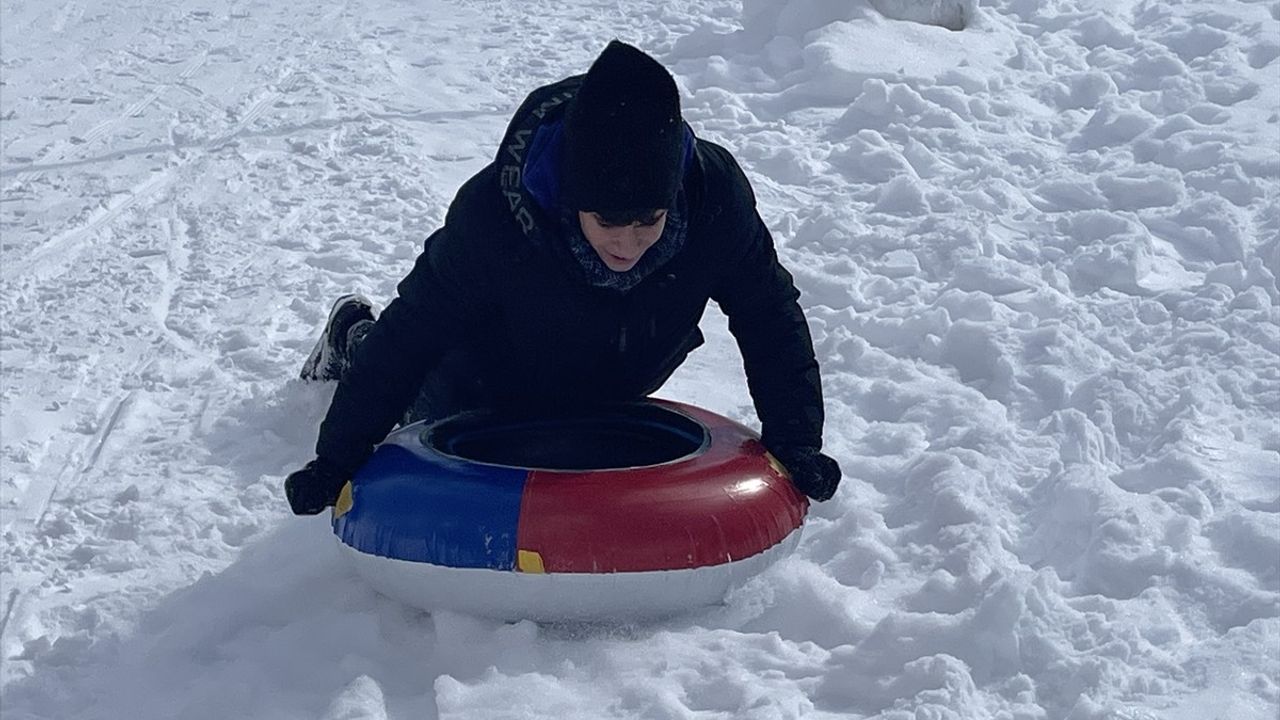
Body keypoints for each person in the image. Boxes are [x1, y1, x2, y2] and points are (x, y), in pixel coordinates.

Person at [284, 40, 841, 515]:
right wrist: (336, 458)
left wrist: (794, 442)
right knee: (422, 400)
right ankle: (350, 332)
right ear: (572, 200)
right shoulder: (493, 216)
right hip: (480, 378)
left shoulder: (715, 197)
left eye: (649, 220)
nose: (628, 244)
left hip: (618, 369)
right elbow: (411, 335)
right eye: (608, 222)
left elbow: (768, 315)